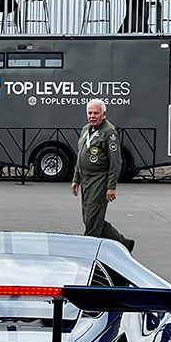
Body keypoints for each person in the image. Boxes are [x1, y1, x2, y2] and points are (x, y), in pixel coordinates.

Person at [70, 99, 134, 252]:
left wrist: (111, 186)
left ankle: (88, 250)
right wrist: (76, 178)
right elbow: (81, 155)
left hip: (99, 179)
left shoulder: (109, 132)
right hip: (86, 179)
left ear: (103, 114)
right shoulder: (86, 129)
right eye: (90, 113)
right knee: (89, 217)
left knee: (92, 218)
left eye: (96, 113)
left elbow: (115, 162)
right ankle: (123, 242)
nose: (92, 116)